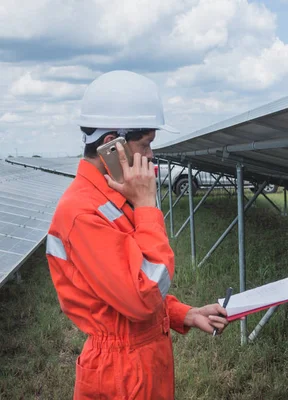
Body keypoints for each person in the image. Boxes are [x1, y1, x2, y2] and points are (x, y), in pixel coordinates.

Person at [45, 70, 229, 399]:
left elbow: (124, 286)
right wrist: (146, 206)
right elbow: (143, 294)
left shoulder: (108, 199)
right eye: (145, 144)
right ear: (110, 146)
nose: (152, 155)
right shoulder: (84, 213)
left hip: (137, 362)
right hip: (122, 374)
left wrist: (183, 313)